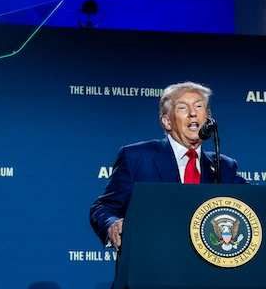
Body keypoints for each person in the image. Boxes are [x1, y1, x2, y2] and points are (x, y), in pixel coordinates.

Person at [89, 81, 246, 247]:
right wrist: (112, 224)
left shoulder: (224, 167)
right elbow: (104, 207)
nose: (193, 113)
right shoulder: (137, 157)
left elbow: (256, 203)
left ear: (208, 119)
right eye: (183, 108)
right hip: (154, 260)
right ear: (167, 121)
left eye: (199, 107)